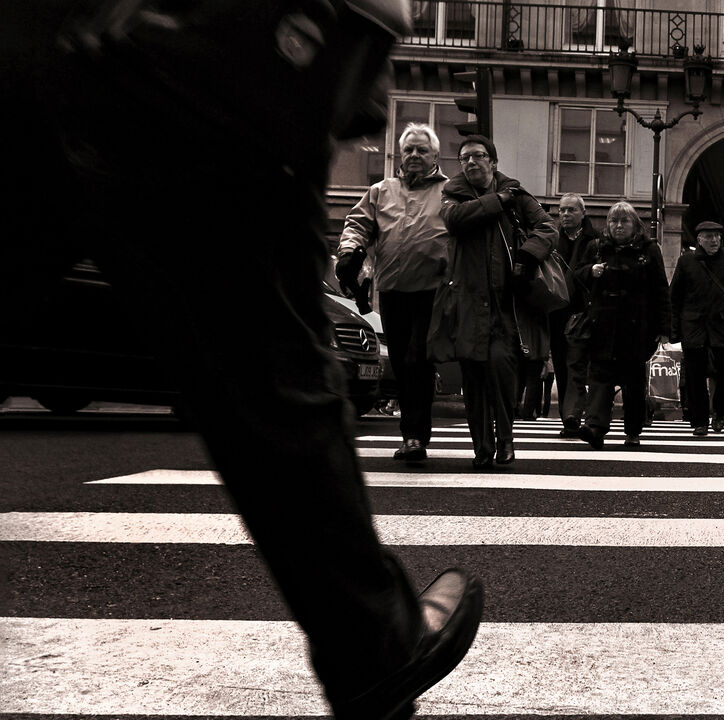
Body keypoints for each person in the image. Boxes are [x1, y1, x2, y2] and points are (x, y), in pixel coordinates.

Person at [2, 3, 483, 719]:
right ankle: (370, 637)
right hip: (214, 45)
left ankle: (370, 634)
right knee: (268, 356)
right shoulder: (376, 187)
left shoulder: (446, 193)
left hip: (54, 37)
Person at [438, 135, 557, 468]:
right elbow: (454, 219)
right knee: (474, 379)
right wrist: (497, 201)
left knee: (502, 374)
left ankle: (505, 439)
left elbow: (548, 227)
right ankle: (482, 447)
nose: (471, 162)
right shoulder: (453, 194)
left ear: (493, 161)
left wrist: (528, 255)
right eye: (464, 158)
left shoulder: (515, 194)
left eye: (478, 156)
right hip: (467, 303)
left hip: (506, 306)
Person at [337, 123, 450, 462]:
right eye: (409, 150)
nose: (414, 155)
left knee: (418, 359)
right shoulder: (381, 191)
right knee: (401, 363)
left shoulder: (450, 192)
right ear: (400, 154)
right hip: (392, 291)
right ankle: (412, 434)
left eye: (422, 150)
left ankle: (415, 436)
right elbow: (357, 224)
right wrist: (349, 250)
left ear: (435, 155)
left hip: (433, 291)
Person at [572, 201, 670, 449]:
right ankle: (595, 428)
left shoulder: (649, 249)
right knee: (599, 378)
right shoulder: (597, 247)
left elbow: (660, 290)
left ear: (635, 224)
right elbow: (576, 275)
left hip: (637, 328)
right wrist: (590, 271)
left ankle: (633, 430)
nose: (618, 226)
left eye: (624, 221)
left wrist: (664, 329)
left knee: (633, 382)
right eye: (613, 221)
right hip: (602, 325)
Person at [670, 220, 724, 436]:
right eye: (709, 236)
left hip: (723, 323)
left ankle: (720, 412)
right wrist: (674, 329)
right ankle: (700, 421)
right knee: (695, 374)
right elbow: (675, 297)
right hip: (694, 324)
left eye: (717, 236)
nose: (714, 240)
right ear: (699, 239)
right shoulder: (686, 261)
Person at [552, 193, 600, 437]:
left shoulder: (596, 240)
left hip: (584, 311)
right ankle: (568, 418)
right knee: (562, 366)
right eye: (562, 210)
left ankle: (586, 416)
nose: (565, 214)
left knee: (585, 367)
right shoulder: (552, 239)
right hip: (558, 311)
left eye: (571, 210)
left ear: (583, 213)